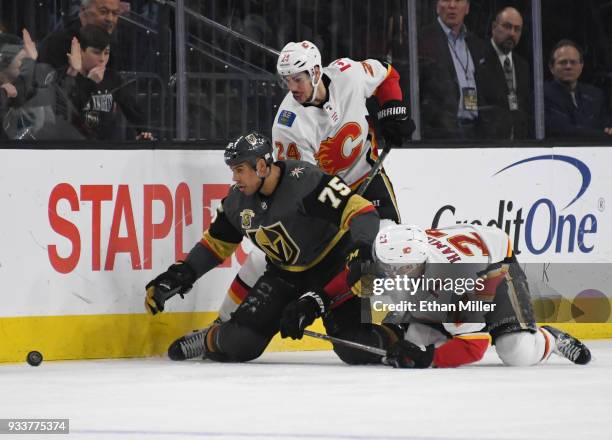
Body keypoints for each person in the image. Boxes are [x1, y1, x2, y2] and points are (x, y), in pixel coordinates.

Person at [168, 40, 415, 360]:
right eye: (286, 80)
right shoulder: (289, 124)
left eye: (297, 79)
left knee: (385, 249)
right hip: (323, 200)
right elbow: (300, 188)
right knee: (268, 256)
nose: (291, 87)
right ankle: (221, 324)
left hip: (369, 181)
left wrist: (392, 109)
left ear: (316, 72)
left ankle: (399, 326)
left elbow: (387, 74)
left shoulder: (349, 75)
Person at [145, 132, 401, 365]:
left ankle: (397, 332)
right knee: (240, 343)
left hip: (332, 267)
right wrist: (178, 275)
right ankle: (208, 338)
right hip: (285, 275)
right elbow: (215, 244)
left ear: (261, 166)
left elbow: (364, 212)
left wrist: (361, 250)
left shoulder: (306, 181)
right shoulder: (237, 202)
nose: (234, 178)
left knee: (356, 349)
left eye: (239, 170)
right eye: (232, 170)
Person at [369, 223, 591, 368]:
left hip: (496, 269)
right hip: (472, 253)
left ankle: (549, 339)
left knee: (515, 352)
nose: (385, 273)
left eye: (392, 268)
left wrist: (429, 358)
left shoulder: (453, 282)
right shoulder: (408, 257)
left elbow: (473, 347)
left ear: (410, 267)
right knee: (416, 339)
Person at [57, 25, 152, 140]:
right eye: (96, 52)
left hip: (107, 147)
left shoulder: (112, 78)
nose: (102, 58)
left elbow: (132, 108)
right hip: (75, 146)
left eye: (106, 52)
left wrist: (144, 131)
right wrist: (89, 82)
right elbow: (65, 113)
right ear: (81, 51)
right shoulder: (67, 77)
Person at [418, 0, 488, 139]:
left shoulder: (477, 44)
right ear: (437, 6)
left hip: (476, 133)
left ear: (467, 8)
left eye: (458, 1)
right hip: (439, 136)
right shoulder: (422, 40)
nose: (452, 5)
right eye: (446, 0)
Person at [480, 7, 531, 139]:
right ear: (493, 27)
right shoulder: (478, 57)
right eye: (507, 26)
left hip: (518, 144)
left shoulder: (523, 66)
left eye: (517, 29)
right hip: (487, 142)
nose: (512, 33)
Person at [544, 39, 612, 138]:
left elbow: (606, 125)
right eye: (563, 62)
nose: (568, 66)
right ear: (551, 67)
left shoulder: (596, 95)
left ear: (581, 66)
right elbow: (561, 131)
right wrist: (602, 134)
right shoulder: (542, 95)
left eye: (573, 62)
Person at [38, 0, 121, 69]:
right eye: (103, 12)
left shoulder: (110, 44)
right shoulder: (58, 43)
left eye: (115, 13)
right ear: (83, 10)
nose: (110, 19)